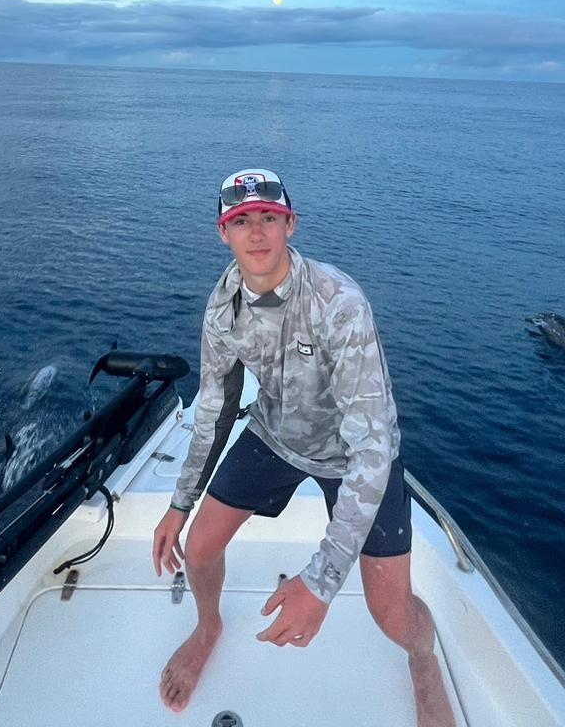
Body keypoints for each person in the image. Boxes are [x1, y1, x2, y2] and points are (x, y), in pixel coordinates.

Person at [152, 167, 455, 726]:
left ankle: (423, 658)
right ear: (224, 233)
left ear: (290, 224)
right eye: (241, 220)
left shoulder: (340, 302)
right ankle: (208, 625)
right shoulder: (222, 311)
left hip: (354, 454)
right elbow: (215, 408)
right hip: (275, 435)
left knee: (391, 613)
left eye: (269, 217)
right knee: (198, 548)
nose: (257, 231)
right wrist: (179, 501)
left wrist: (319, 581)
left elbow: (371, 446)